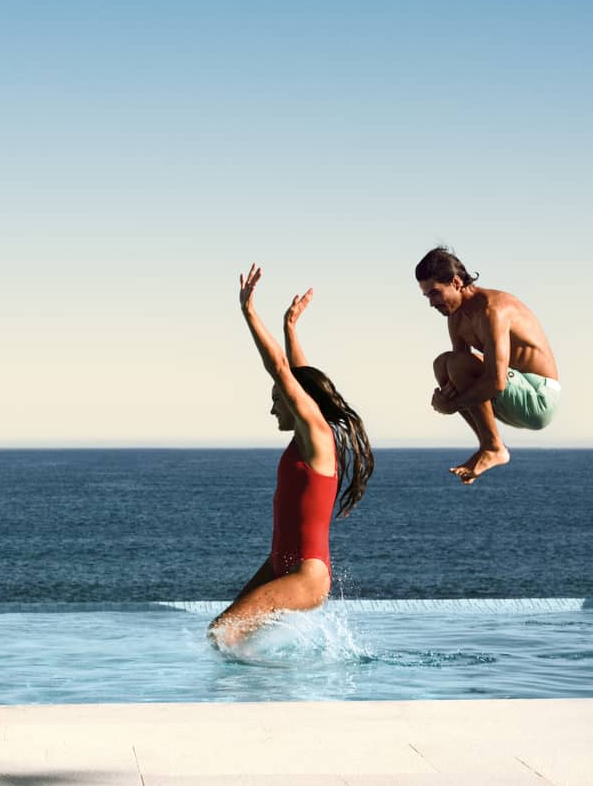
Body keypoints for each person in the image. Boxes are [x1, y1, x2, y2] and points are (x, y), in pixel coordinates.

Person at [209, 266, 375, 648]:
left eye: (276, 403)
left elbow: (282, 370)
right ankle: (266, 692)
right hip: (279, 565)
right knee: (228, 636)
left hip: (305, 574)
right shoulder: (307, 437)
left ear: (295, 404)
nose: (273, 412)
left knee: (223, 634)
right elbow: (298, 375)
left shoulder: (316, 435)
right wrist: (291, 327)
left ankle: (258, 702)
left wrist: (249, 313)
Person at [416, 247, 560, 485]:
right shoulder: (456, 318)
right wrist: (447, 398)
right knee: (443, 364)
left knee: (458, 363)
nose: (432, 303)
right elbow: (457, 376)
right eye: (427, 297)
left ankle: (493, 448)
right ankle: (488, 446)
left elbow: (496, 381)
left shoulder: (493, 309)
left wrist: (452, 405)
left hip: (540, 397)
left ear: (456, 282)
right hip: (511, 396)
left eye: (435, 293)